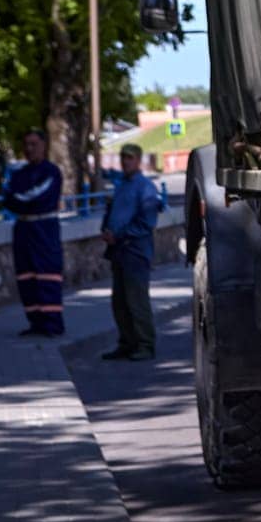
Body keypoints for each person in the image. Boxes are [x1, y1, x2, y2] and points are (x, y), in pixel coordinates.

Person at [101, 143, 163, 362]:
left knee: (136, 301)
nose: (125, 161)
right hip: (119, 251)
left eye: (129, 158)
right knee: (120, 302)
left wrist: (120, 235)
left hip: (135, 251)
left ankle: (145, 344)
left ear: (138, 160)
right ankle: (127, 343)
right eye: (123, 157)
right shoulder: (122, 185)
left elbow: (146, 222)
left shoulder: (145, 187)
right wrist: (107, 231)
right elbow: (114, 213)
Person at [2, 129, 64, 336]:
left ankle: (52, 324)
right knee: (26, 277)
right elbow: (8, 199)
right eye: (26, 145)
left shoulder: (51, 172)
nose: (29, 149)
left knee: (46, 275)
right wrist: (18, 201)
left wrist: (18, 200)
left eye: (34, 144)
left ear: (44, 145)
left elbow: (36, 199)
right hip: (23, 230)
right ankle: (36, 323)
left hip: (44, 229)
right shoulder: (19, 174)